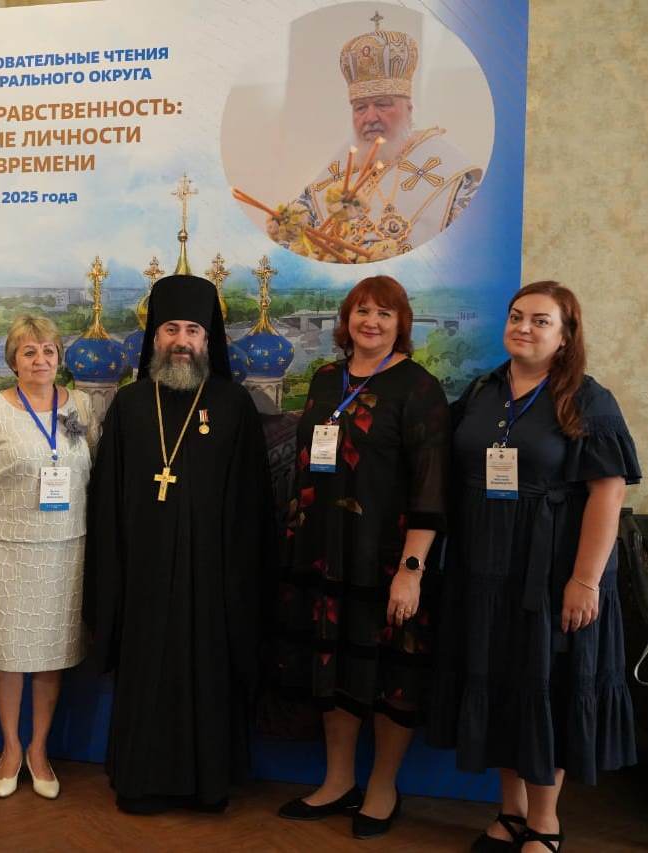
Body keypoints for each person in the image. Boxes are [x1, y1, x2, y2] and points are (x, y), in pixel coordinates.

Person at [430, 282, 640, 853]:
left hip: (552, 569)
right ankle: (511, 811)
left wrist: (585, 581)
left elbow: (608, 493)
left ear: (565, 335)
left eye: (540, 321)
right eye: (516, 316)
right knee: (499, 678)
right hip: (483, 565)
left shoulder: (589, 399)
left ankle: (545, 823)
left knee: (545, 682)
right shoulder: (482, 390)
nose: (523, 328)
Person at [84, 273, 275, 814]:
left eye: (193, 330)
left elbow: (252, 504)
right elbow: (106, 502)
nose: (182, 341)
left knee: (208, 672)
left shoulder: (234, 405)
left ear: (208, 340)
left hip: (211, 576)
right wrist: (111, 578)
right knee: (146, 672)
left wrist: (239, 578)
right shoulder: (129, 405)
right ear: (155, 337)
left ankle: (208, 784)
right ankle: (139, 782)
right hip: (143, 575)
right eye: (171, 329)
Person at [274, 275, 449, 839]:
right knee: (333, 667)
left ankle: (382, 787)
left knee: (391, 674)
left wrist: (411, 571)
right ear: (346, 320)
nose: (371, 322)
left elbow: (430, 489)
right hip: (323, 552)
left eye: (384, 314)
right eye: (362, 311)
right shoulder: (326, 378)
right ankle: (338, 780)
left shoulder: (419, 387)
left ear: (402, 324)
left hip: (388, 559)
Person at [0, 315, 98, 800]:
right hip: (5, 552)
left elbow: (94, 471)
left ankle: (39, 749)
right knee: (9, 657)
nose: (40, 360)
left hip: (66, 550)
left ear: (60, 357)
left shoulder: (80, 405)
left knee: (51, 657)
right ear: (13, 361)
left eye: (48, 350)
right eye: (29, 352)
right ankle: (11, 748)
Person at [263, 13, 482, 262]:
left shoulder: (450, 170)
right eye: (360, 108)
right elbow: (292, 240)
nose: (370, 117)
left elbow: (467, 249)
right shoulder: (343, 164)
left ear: (409, 109)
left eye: (382, 104)